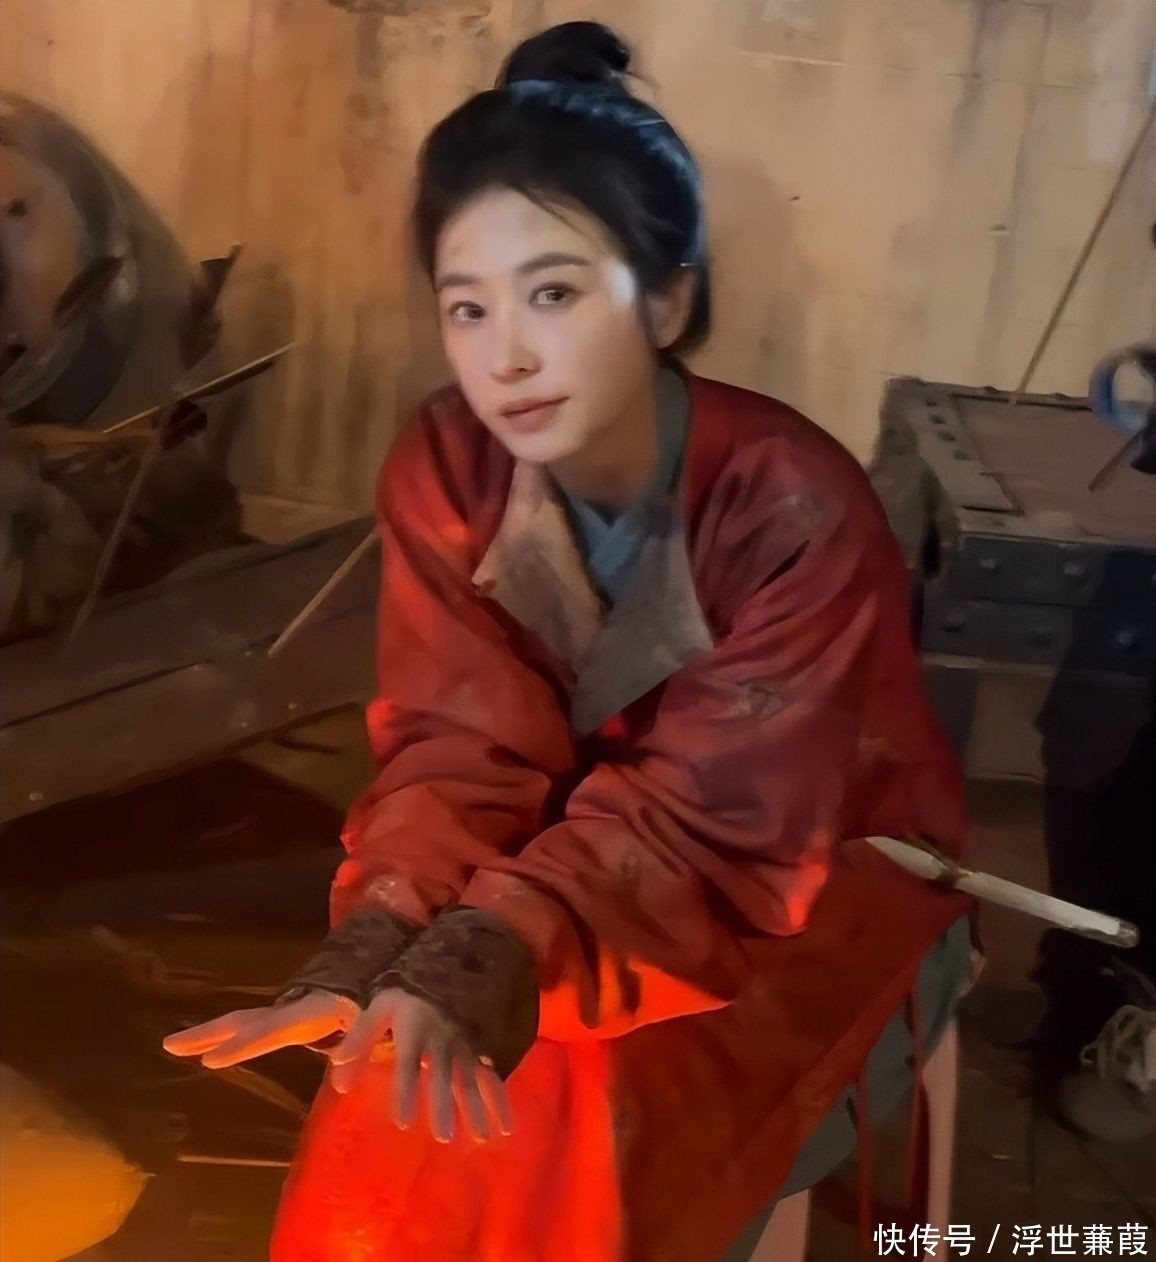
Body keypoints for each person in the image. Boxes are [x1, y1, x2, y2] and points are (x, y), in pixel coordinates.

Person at [165, 22, 973, 1261]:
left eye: (553, 293)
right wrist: (376, 945)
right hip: (577, 856)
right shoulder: (447, 464)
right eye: (467, 306)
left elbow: (711, 825)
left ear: (668, 298)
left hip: (797, 868)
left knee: (568, 1095)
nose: (507, 355)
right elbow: (457, 747)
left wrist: (486, 956)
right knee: (384, 1070)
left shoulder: (791, 504)